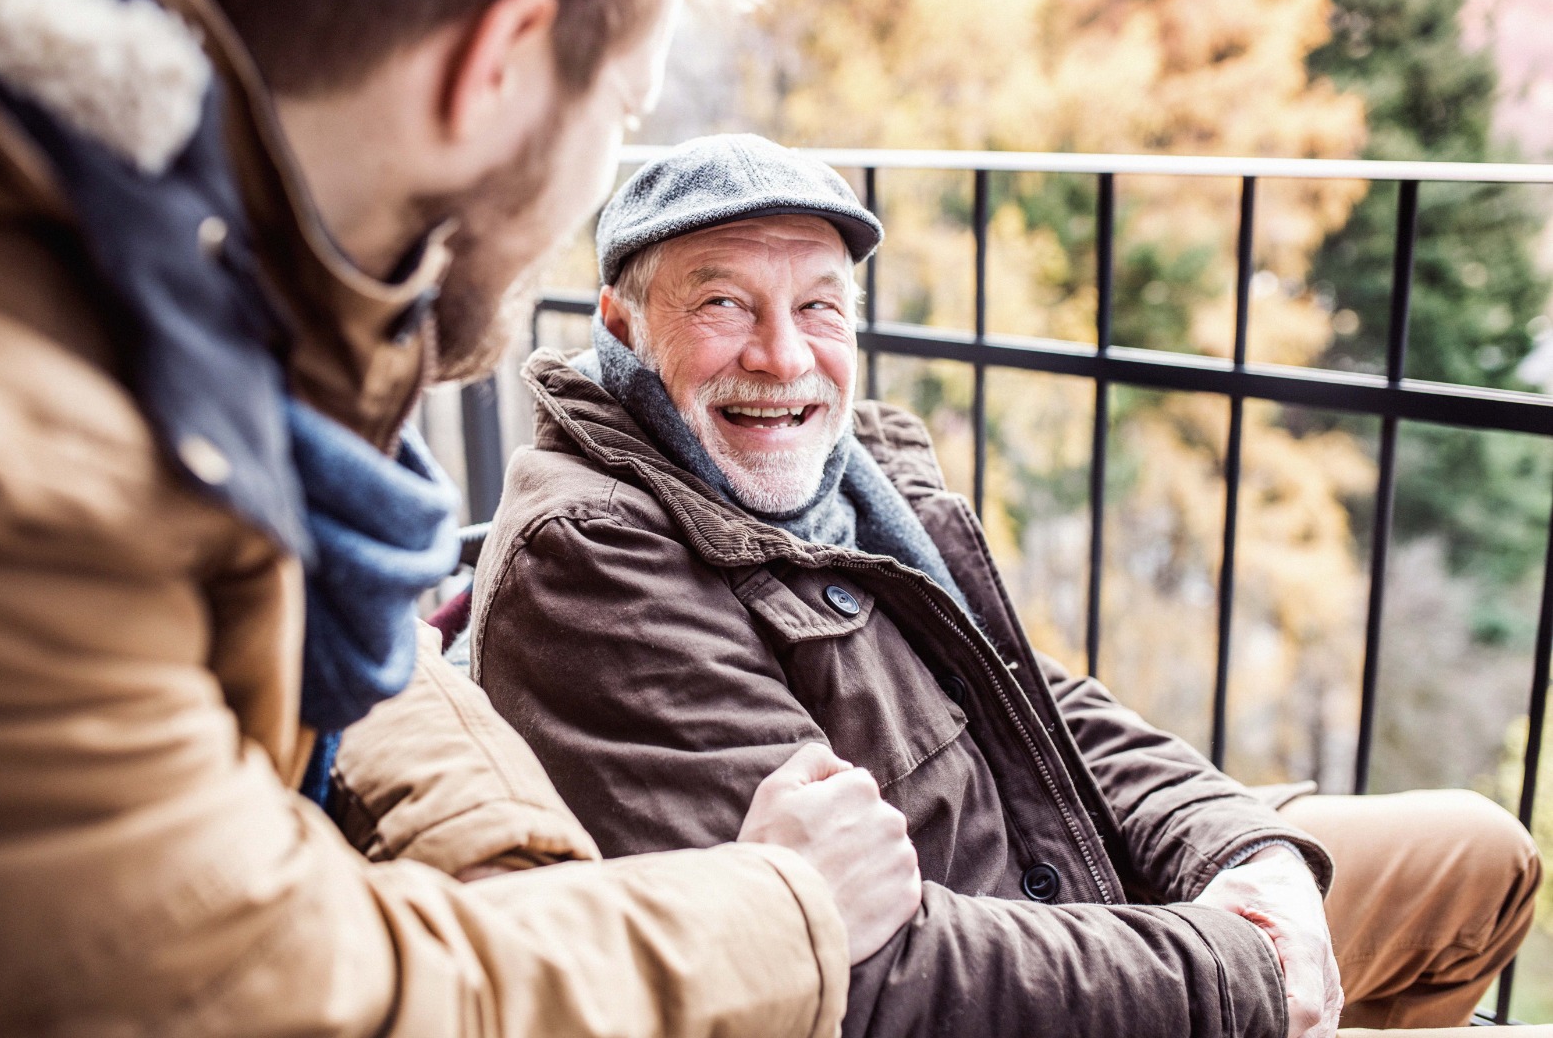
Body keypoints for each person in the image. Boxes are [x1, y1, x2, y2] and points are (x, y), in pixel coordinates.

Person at [0, 0, 923, 1034]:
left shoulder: (161, 279)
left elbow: (341, 648)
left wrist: (513, 865)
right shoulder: (4, 458)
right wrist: (786, 911)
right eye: (624, 109)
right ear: (494, 68)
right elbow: (278, 990)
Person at [469, 133, 1547, 1038]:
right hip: (990, 965)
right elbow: (863, 976)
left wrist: (1241, 853)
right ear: (621, 325)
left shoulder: (853, 474)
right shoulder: (592, 558)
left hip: (1062, 864)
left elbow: (1035, 698)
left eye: (819, 306)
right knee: (1295, 961)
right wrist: (1231, 971)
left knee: (1477, 854)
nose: (786, 356)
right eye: (723, 304)